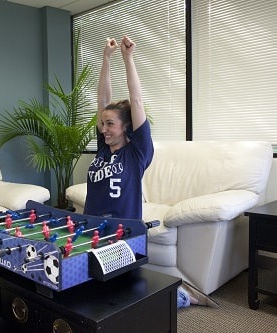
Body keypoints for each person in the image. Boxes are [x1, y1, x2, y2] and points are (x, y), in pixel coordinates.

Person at [84, 36, 218, 309]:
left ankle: (181, 295)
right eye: (102, 124)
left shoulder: (137, 154)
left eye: (110, 124)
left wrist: (128, 59)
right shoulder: (103, 148)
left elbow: (137, 101)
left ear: (126, 127)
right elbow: (103, 99)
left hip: (124, 235)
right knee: (93, 290)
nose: (104, 128)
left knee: (126, 300)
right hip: (93, 231)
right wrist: (106, 59)